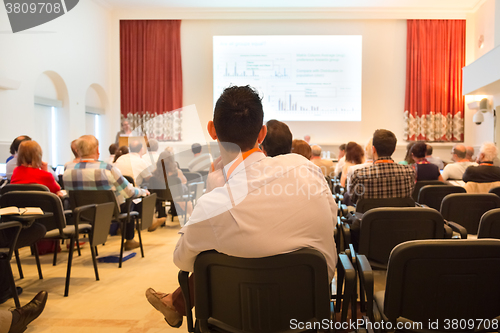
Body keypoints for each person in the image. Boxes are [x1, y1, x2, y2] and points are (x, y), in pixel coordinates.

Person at [145, 85, 337, 328]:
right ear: (262, 133)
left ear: (212, 130)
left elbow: (182, 261)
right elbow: (331, 219)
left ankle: (177, 302)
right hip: (308, 314)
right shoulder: (305, 168)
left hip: (232, 319)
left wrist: (213, 190)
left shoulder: (213, 204)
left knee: (211, 256)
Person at [63, 135, 150, 250]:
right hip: (110, 212)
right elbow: (129, 192)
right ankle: (129, 240)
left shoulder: (68, 169)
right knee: (131, 200)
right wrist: (143, 192)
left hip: (81, 212)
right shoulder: (107, 168)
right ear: (97, 150)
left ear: (77, 150)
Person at [349, 129, 416, 204]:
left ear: (373, 149)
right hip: (399, 215)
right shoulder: (409, 172)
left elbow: (353, 199)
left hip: (368, 215)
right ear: (394, 150)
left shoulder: (359, 174)